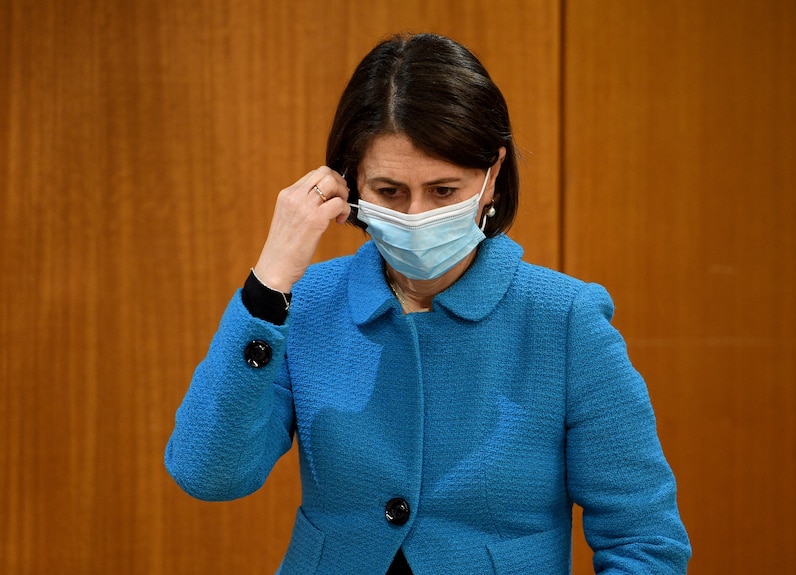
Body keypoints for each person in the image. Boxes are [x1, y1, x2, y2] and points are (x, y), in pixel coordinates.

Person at [165, 33, 691, 574]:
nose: (416, 215)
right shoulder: (306, 306)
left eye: (444, 191)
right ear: (350, 184)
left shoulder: (565, 320)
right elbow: (210, 474)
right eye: (390, 191)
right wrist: (271, 279)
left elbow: (645, 542)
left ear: (491, 178)